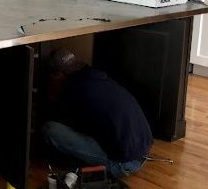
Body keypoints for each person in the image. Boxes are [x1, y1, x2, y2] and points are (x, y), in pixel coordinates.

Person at [43, 49, 153, 178]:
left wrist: (52, 96)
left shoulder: (75, 91)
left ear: (58, 75)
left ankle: (80, 169)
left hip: (123, 163)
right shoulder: (98, 78)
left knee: (50, 129)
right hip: (142, 152)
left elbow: (72, 125)